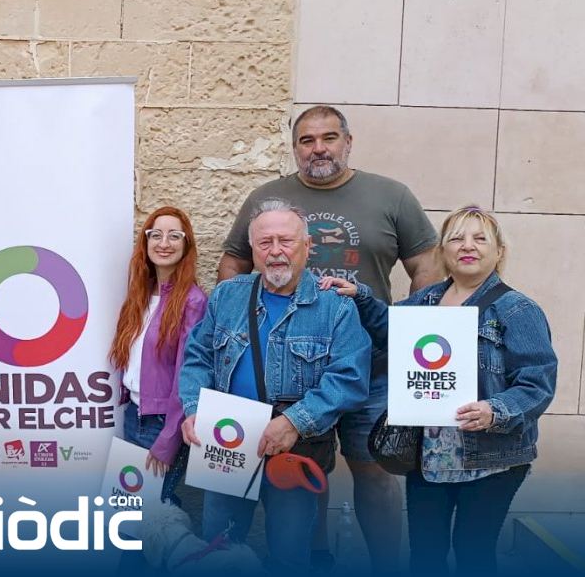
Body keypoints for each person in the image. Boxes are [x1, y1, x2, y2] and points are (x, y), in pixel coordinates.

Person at [217, 105, 443, 571]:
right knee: (305, 466)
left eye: (329, 137)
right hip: (290, 372)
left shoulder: (391, 196)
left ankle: (386, 566)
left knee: (374, 470)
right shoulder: (267, 196)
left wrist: (406, 334)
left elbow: (426, 267)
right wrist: (238, 322)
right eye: (307, 140)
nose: (318, 148)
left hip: (371, 367)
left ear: (348, 142)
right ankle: (315, 559)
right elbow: (234, 262)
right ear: (294, 147)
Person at [320, 205, 556, 575]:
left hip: (491, 457)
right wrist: (360, 296)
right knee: (425, 557)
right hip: (429, 456)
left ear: (499, 252)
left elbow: (537, 382)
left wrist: (495, 409)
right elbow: (390, 328)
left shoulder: (516, 309)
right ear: (443, 250)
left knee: (473, 554)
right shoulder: (426, 300)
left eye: (480, 239)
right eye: (456, 238)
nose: (468, 246)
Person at [179, 198, 371, 572]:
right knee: (218, 551)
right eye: (265, 242)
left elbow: (349, 378)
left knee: (290, 557)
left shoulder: (335, 307)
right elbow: (197, 357)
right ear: (253, 249)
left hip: (295, 446)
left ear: (307, 246)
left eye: (286, 240)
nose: (276, 251)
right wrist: (194, 409)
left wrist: (294, 421)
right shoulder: (228, 295)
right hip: (227, 439)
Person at [108, 207, 207, 506]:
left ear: (186, 244)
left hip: (163, 423)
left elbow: (187, 375)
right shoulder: (139, 294)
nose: (164, 243)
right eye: (156, 235)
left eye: (174, 236)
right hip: (134, 414)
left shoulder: (193, 301)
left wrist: (169, 438)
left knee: (155, 510)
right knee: (133, 513)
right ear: (146, 241)